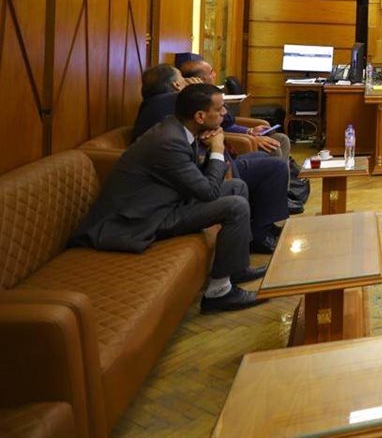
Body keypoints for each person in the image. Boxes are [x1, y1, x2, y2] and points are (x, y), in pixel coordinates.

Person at [69, 84, 268, 313]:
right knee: (235, 206)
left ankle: (236, 269)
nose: (224, 113)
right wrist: (217, 148)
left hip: (168, 201)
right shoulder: (169, 141)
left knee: (237, 187)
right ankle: (219, 293)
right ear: (200, 116)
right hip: (144, 219)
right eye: (220, 108)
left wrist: (209, 148)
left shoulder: (180, 128)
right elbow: (209, 192)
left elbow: (197, 179)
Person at [145, 63, 292, 251]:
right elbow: (206, 188)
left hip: (204, 170)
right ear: (176, 85)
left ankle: (262, 228)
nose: (188, 82)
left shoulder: (171, 110)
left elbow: (224, 120)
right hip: (184, 191)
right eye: (182, 79)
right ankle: (259, 235)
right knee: (270, 167)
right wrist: (217, 147)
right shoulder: (165, 109)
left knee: (268, 161)